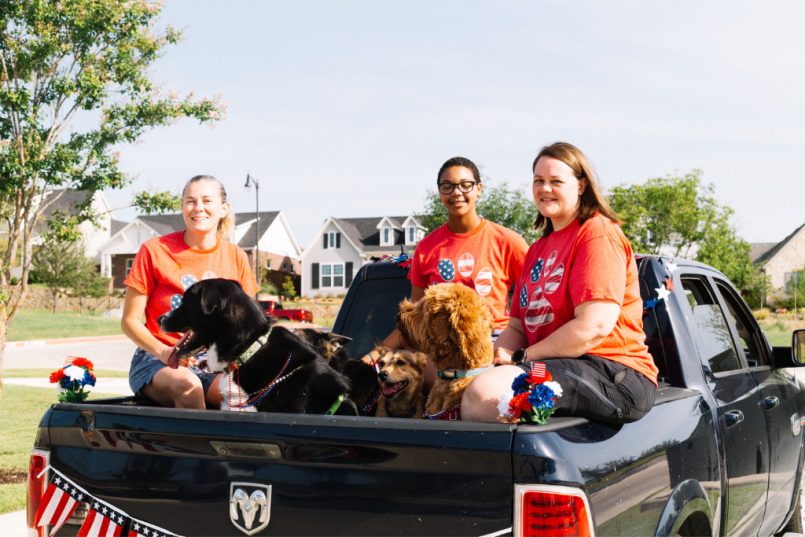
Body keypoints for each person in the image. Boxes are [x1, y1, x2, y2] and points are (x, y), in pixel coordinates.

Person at [461, 142, 658, 423]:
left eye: (556, 181)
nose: (545, 188)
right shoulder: (537, 250)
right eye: (538, 180)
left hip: (614, 370)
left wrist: (519, 358)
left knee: (485, 396)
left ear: (580, 186)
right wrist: (488, 362)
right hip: (555, 365)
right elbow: (516, 326)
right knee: (470, 385)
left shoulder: (597, 234)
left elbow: (593, 328)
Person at [362, 156, 529, 377]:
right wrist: (369, 360)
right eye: (447, 186)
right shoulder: (427, 248)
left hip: (493, 344)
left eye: (465, 185)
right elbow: (411, 322)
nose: (456, 192)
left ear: (478, 188)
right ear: (440, 192)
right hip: (440, 349)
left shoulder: (508, 241)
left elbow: (535, 304)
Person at [121, 175, 260, 409]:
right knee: (189, 388)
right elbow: (129, 321)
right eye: (190, 201)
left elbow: (248, 326)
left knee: (244, 395)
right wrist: (166, 353)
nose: (198, 208)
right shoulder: (154, 251)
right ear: (183, 207)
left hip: (215, 361)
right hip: (159, 358)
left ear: (223, 208)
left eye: (207, 201)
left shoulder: (237, 257)